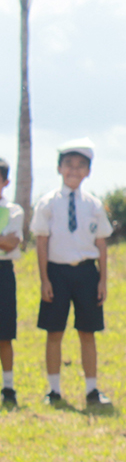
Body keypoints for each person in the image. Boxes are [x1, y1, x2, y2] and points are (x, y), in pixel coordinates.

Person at [31, 138, 113, 407]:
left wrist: (102, 280)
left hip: (87, 274)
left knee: (87, 331)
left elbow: (101, 244)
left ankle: (92, 389)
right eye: (68, 165)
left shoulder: (93, 205)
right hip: (56, 273)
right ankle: (53, 390)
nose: (74, 171)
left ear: (88, 171)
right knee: (54, 332)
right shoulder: (47, 204)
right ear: (59, 169)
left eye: (80, 166)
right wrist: (44, 279)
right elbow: (41, 243)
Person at [0, 157, 24, 408]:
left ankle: (8, 387)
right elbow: (3, 241)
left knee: (4, 333)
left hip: (3, 272)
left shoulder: (14, 210)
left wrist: (6, 241)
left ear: (5, 182)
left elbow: (11, 243)